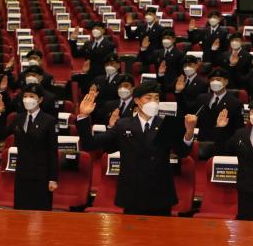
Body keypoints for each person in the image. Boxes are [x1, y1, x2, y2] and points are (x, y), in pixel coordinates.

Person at [76, 81, 197, 216]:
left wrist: (189, 131)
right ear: (137, 100)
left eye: (156, 98)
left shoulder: (166, 124)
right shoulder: (123, 125)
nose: (153, 102)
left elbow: (182, 152)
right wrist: (84, 116)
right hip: (132, 193)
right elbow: (90, 144)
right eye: (148, 98)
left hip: (159, 193)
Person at [0, 84, 58, 211]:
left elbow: (52, 151)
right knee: (21, 212)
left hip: (41, 175)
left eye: (32, 96)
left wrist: (53, 178)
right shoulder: (18, 118)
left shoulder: (49, 120)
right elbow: (0, 134)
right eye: (25, 96)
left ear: (40, 99)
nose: (27, 99)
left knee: (40, 213)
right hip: (22, 173)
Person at [183, 68, 243, 141]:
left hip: (223, 142)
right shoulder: (202, 98)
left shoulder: (235, 103)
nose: (214, 82)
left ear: (226, 82)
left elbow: (238, 129)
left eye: (218, 80)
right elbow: (190, 114)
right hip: (203, 142)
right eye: (212, 80)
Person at [70, 23, 117, 87]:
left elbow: (107, 60)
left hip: (102, 74)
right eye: (94, 29)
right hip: (88, 73)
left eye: (97, 28)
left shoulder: (109, 45)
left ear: (103, 30)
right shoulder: (87, 44)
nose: (95, 30)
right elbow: (75, 54)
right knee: (72, 80)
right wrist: (73, 40)